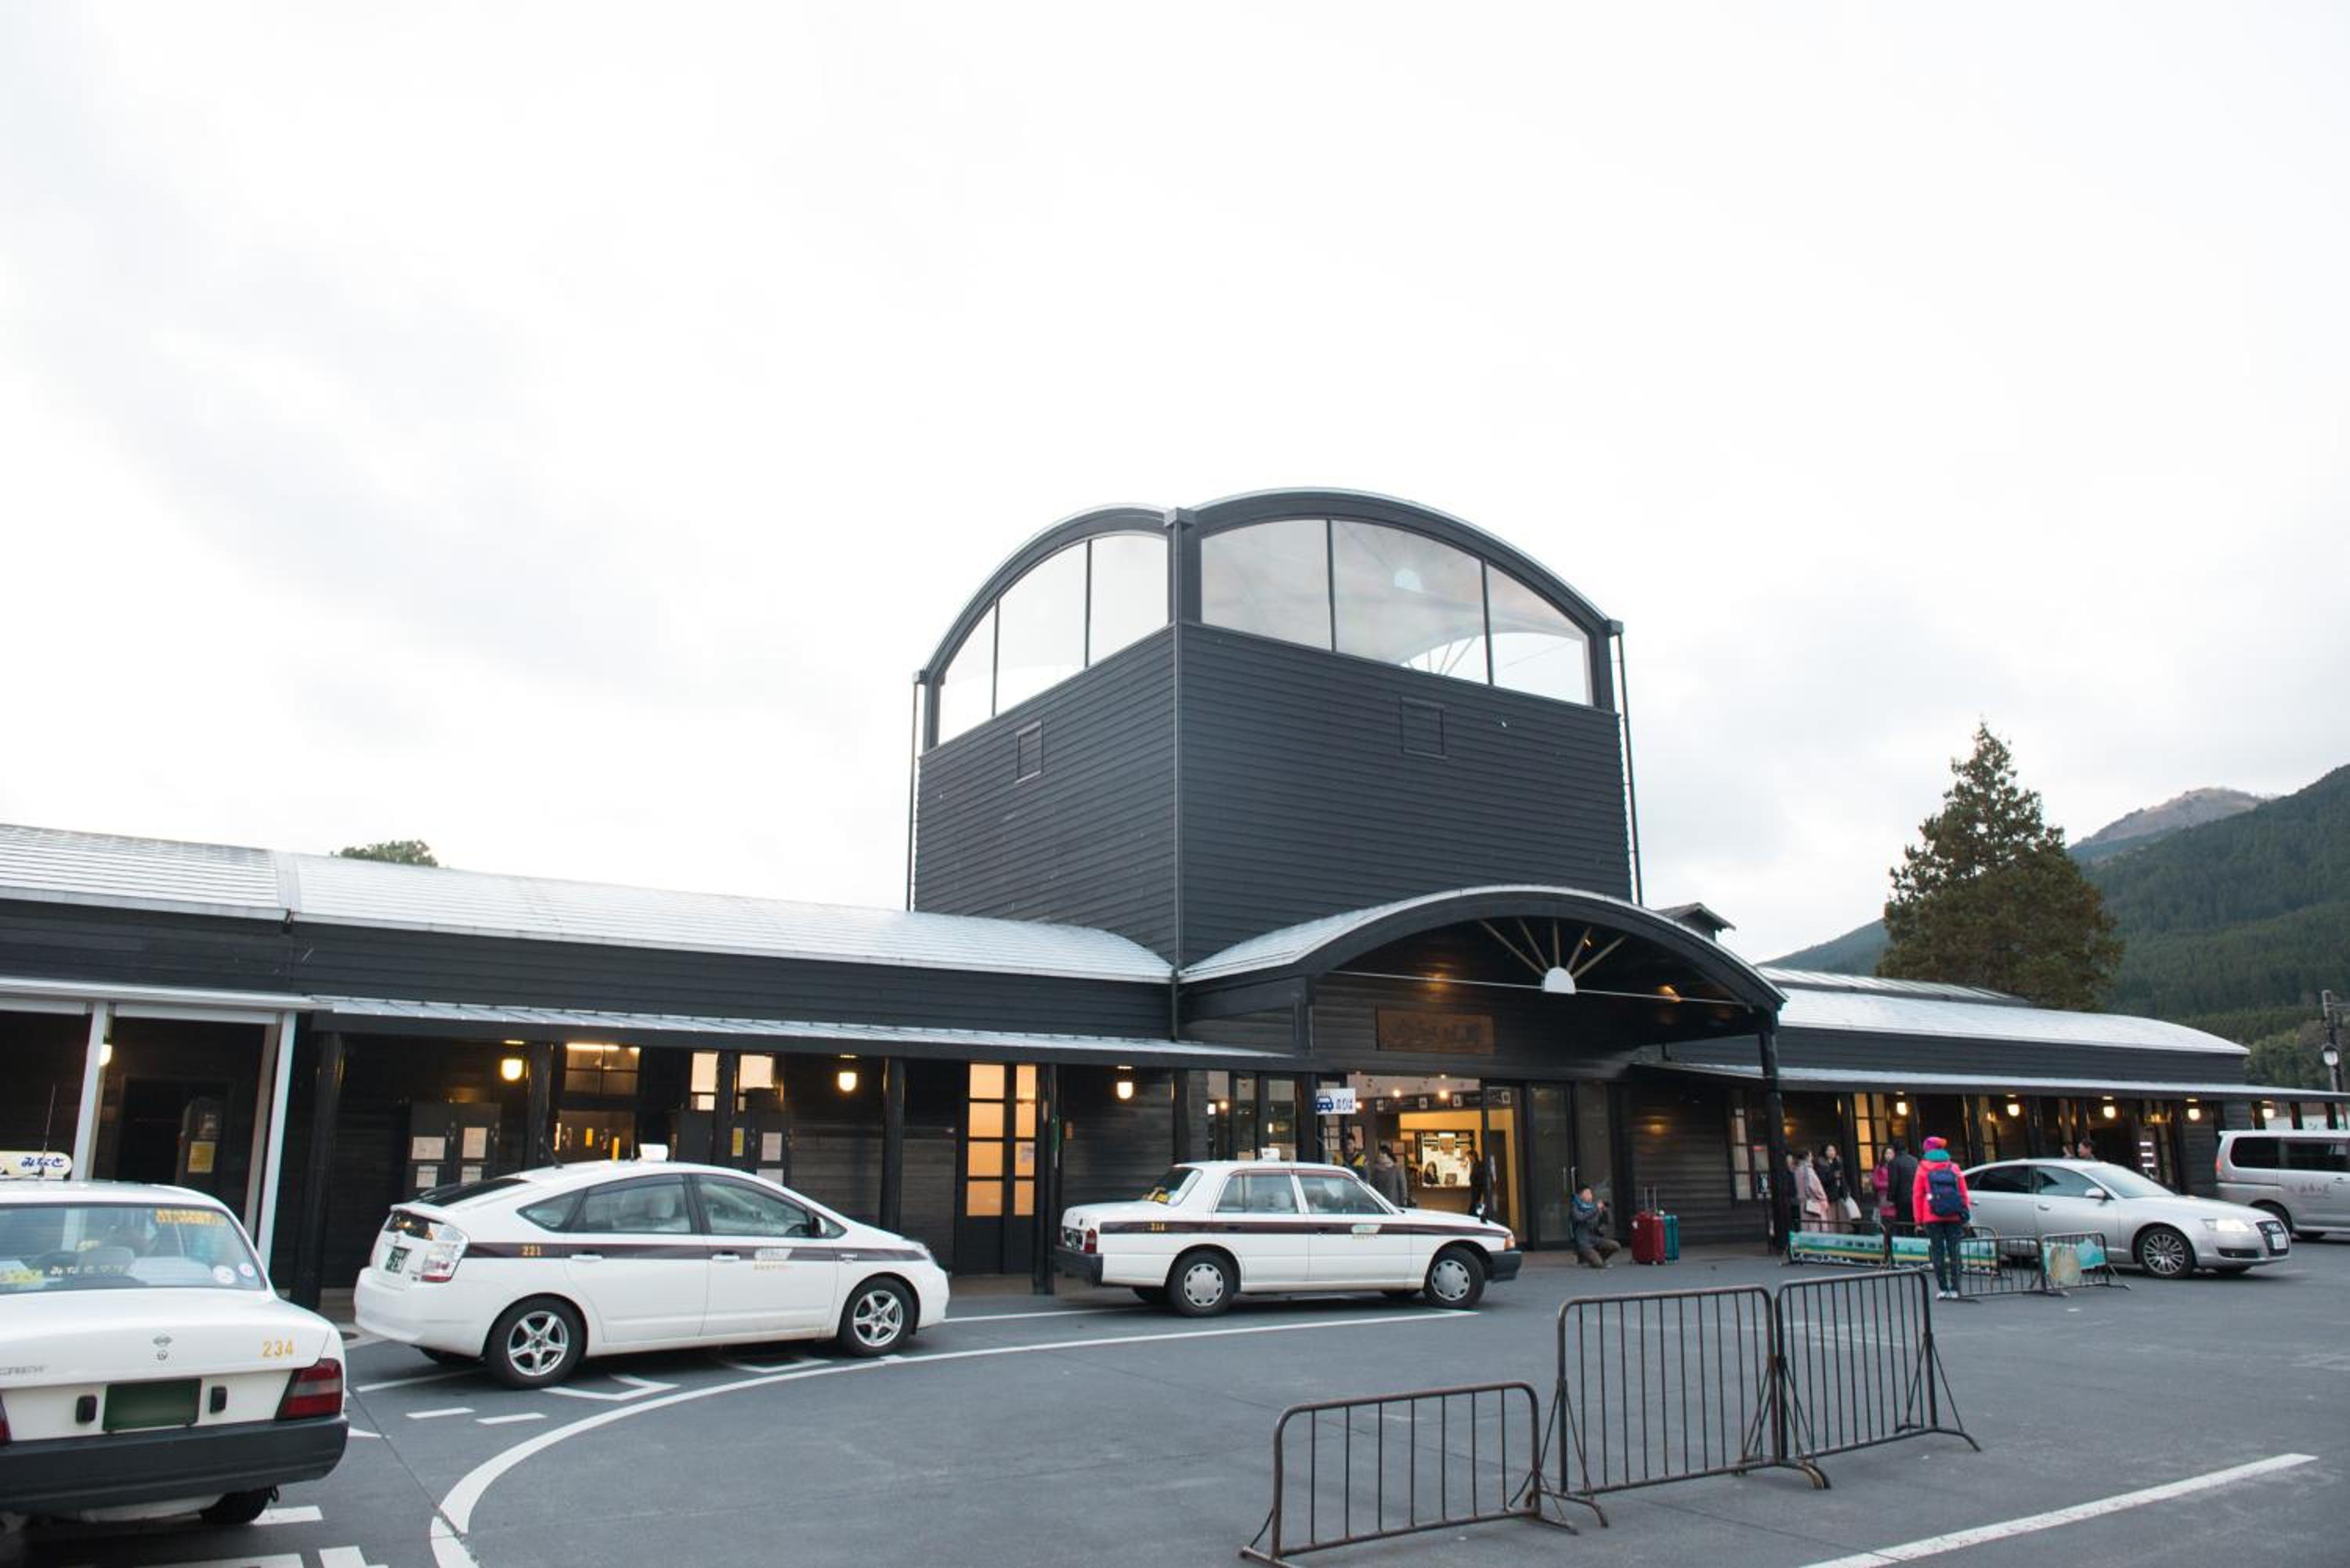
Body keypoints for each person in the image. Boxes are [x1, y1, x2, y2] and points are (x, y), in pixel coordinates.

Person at [1911, 1135, 1973, 1300]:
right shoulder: (1954, 1167)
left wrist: (1918, 1220)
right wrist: (1965, 1214)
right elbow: (1963, 1192)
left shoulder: (1923, 1169)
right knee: (1955, 1252)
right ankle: (1956, 1288)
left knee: (1937, 1252)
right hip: (1954, 1215)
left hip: (1931, 1215)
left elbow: (1917, 1195)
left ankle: (1943, 1289)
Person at [1570, 1184, 1618, 1267]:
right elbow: (1580, 1218)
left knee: (1615, 1245)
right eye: (1587, 1193)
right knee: (1598, 1265)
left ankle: (1597, 1259)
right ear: (1580, 1196)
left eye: (1591, 1193)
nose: (1590, 1195)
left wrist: (1605, 1212)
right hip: (1583, 1242)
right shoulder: (1575, 1207)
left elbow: (1605, 1222)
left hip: (1595, 1239)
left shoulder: (1592, 1207)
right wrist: (1596, 1208)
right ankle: (1591, 1259)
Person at [1791, 1149, 1830, 1230]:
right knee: (1814, 1227)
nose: (1812, 1158)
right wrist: (1823, 1198)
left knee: (1806, 1227)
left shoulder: (1797, 1170)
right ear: (1807, 1157)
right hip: (1812, 1202)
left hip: (1802, 1202)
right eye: (1811, 1156)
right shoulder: (1808, 1170)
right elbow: (1816, 1186)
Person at [1818, 1143, 1853, 1231]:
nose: (1832, 1152)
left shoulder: (1837, 1162)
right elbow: (1822, 1180)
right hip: (1830, 1195)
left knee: (1842, 1216)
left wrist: (1846, 1189)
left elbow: (1842, 1178)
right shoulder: (1821, 1164)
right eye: (1829, 1150)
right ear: (1825, 1152)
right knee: (1832, 1218)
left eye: (1833, 1150)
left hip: (1839, 1194)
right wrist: (1833, 1176)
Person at [1368, 1143, 1408, 1209]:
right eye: (1379, 1154)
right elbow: (1372, 1186)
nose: (1380, 1155)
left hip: (1394, 1203)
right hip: (1380, 1203)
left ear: (1389, 1155)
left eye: (1383, 1153)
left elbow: (1403, 1186)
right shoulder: (1376, 1171)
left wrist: (1404, 1201)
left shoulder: (1397, 1169)